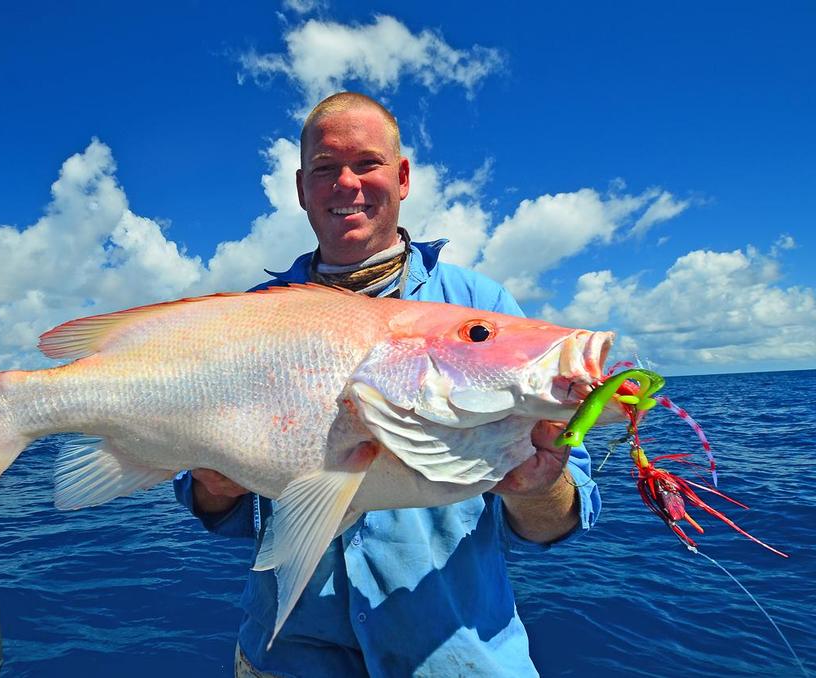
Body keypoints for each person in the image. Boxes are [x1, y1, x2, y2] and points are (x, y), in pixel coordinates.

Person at [173, 92, 600, 677]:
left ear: (401, 177)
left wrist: (533, 486)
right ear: (302, 189)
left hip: (458, 661)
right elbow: (211, 505)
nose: (346, 183)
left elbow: (557, 522)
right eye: (325, 169)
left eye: (367, 163)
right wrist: (214, 484)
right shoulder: (250, 319)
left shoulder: (481, 308)